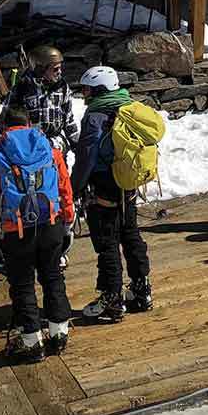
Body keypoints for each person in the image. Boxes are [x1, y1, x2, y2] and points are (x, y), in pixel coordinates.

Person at [0, 106, 75, 363]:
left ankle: (32, 342)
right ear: (29, 123)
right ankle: (59, 333)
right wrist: (68, 221)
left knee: (22, 285)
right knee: (53, 276)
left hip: (16, 230)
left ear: (3, 126)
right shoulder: (50, 151)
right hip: (51, 223)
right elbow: (64, 187)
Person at [70, 66, 152, 323]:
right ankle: (141, 291)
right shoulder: (129, 107)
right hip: (128, 182)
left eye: (87, 89)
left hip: (104, 185)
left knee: (107, 241)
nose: (84, 94)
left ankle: (112, 300)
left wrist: (74, 188)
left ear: (98, 90)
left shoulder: (95, 116)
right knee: (130, 234)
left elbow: (86, 156)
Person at [2, 45, 77, 153]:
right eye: (55, 69)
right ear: (41, 69)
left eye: (60, 68)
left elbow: (68, 119)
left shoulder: (62, 88)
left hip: (55, 145)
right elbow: (6, 118)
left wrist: (76, 144)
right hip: (29, 146)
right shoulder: (23, 88)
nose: (59, 72)